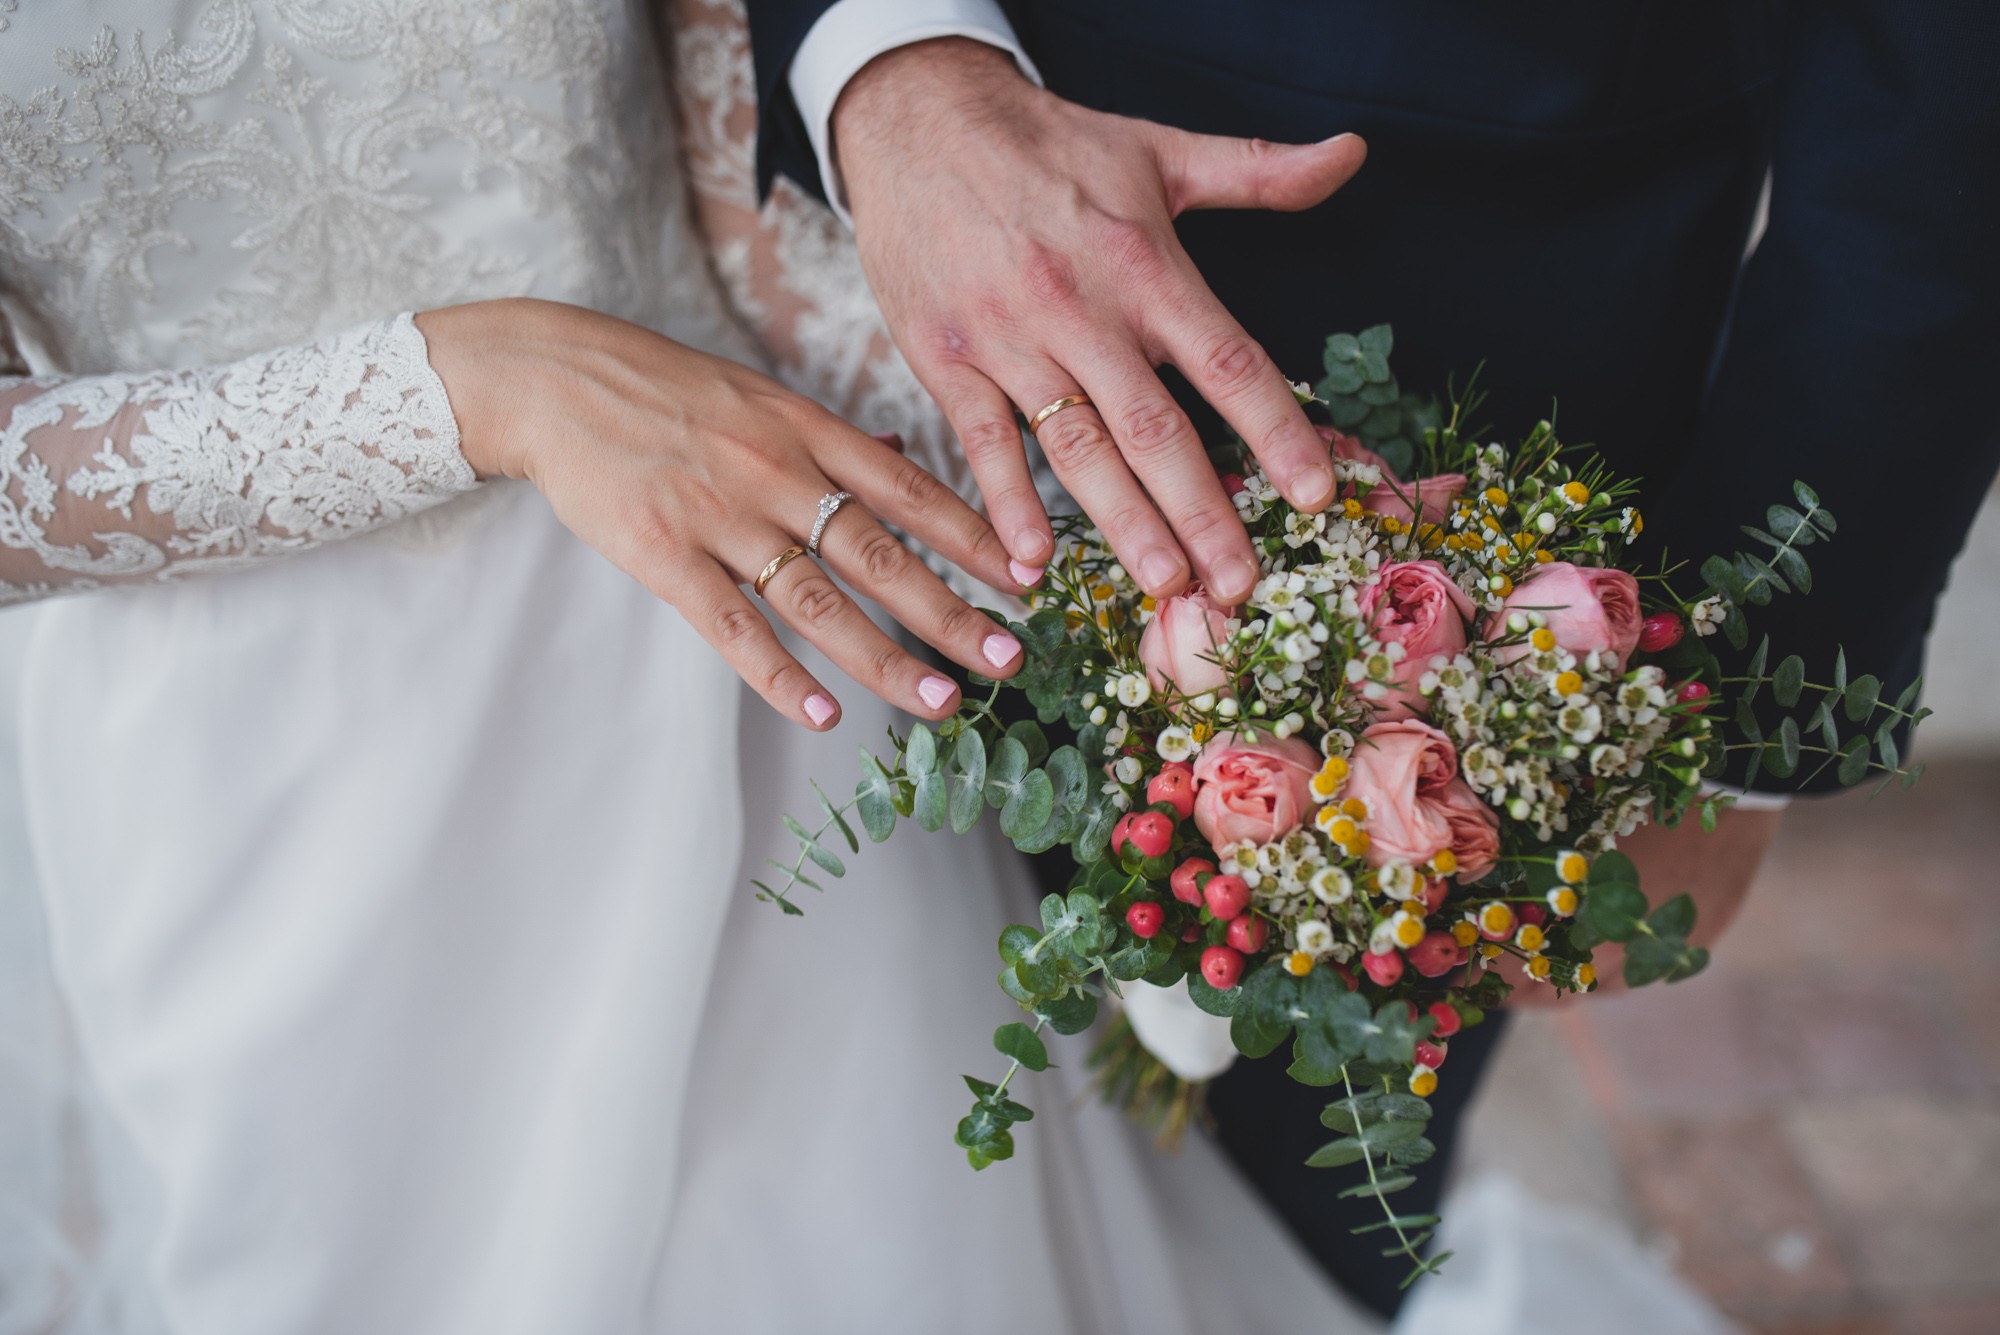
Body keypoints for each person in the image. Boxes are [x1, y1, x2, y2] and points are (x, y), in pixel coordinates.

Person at [0, 2, 1417, 1331]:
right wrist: (479, 384)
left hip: (756, 643)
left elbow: (728, 221)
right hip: (274, 780)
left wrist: (1129, 561)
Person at [743, 0, 2000, 1315]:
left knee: (1289, 1244)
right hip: (800, 300)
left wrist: (1743, 724)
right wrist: (891, 64)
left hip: (1478, 304)